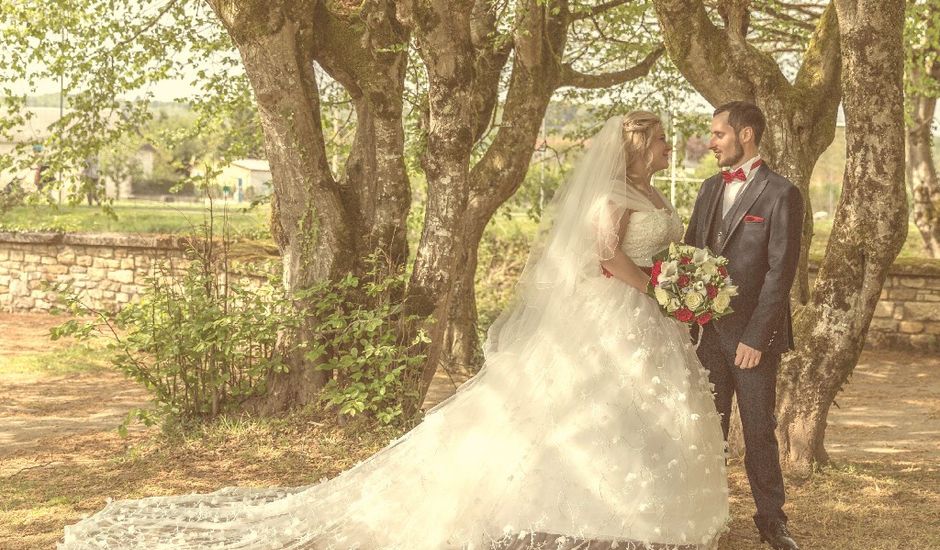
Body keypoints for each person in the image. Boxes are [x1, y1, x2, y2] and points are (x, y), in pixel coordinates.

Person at [61, 113, 730, 549]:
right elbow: (606, 258)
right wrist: (659, 293)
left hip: (645, 317)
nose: (673, 147)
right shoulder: (609, 197)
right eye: (664, 138)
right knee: (585, 408)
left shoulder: (657, 196)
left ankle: (644, 511)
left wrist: (678, 283)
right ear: (639, 144)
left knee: (632, 410)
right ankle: (580, 509)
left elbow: (651, 251)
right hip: (614, 312)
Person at [684, 101, 803, 550]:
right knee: (706, 429)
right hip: (708, 336)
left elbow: (780, 272)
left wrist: (757, 337)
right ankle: (706, 514)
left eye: (719, 134)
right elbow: (692, 252)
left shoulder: (781, 193)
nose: (711, 142)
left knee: (757, 432)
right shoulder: (710, 187)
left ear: (746, 134)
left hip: (753, 338)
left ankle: (772, 522)